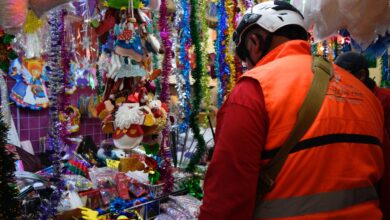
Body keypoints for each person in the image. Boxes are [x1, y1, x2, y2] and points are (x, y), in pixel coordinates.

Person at [199, 1, 385, 219]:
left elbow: (226, 201)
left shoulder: (253, 90)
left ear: (254, 42)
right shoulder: (364, 93)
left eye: (244, 57)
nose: (248, 65)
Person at [335, 52, 390, 219]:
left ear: (361, 75)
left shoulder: (385, 99)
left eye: (343, 76)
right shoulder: (342, 97)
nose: (338, 82)